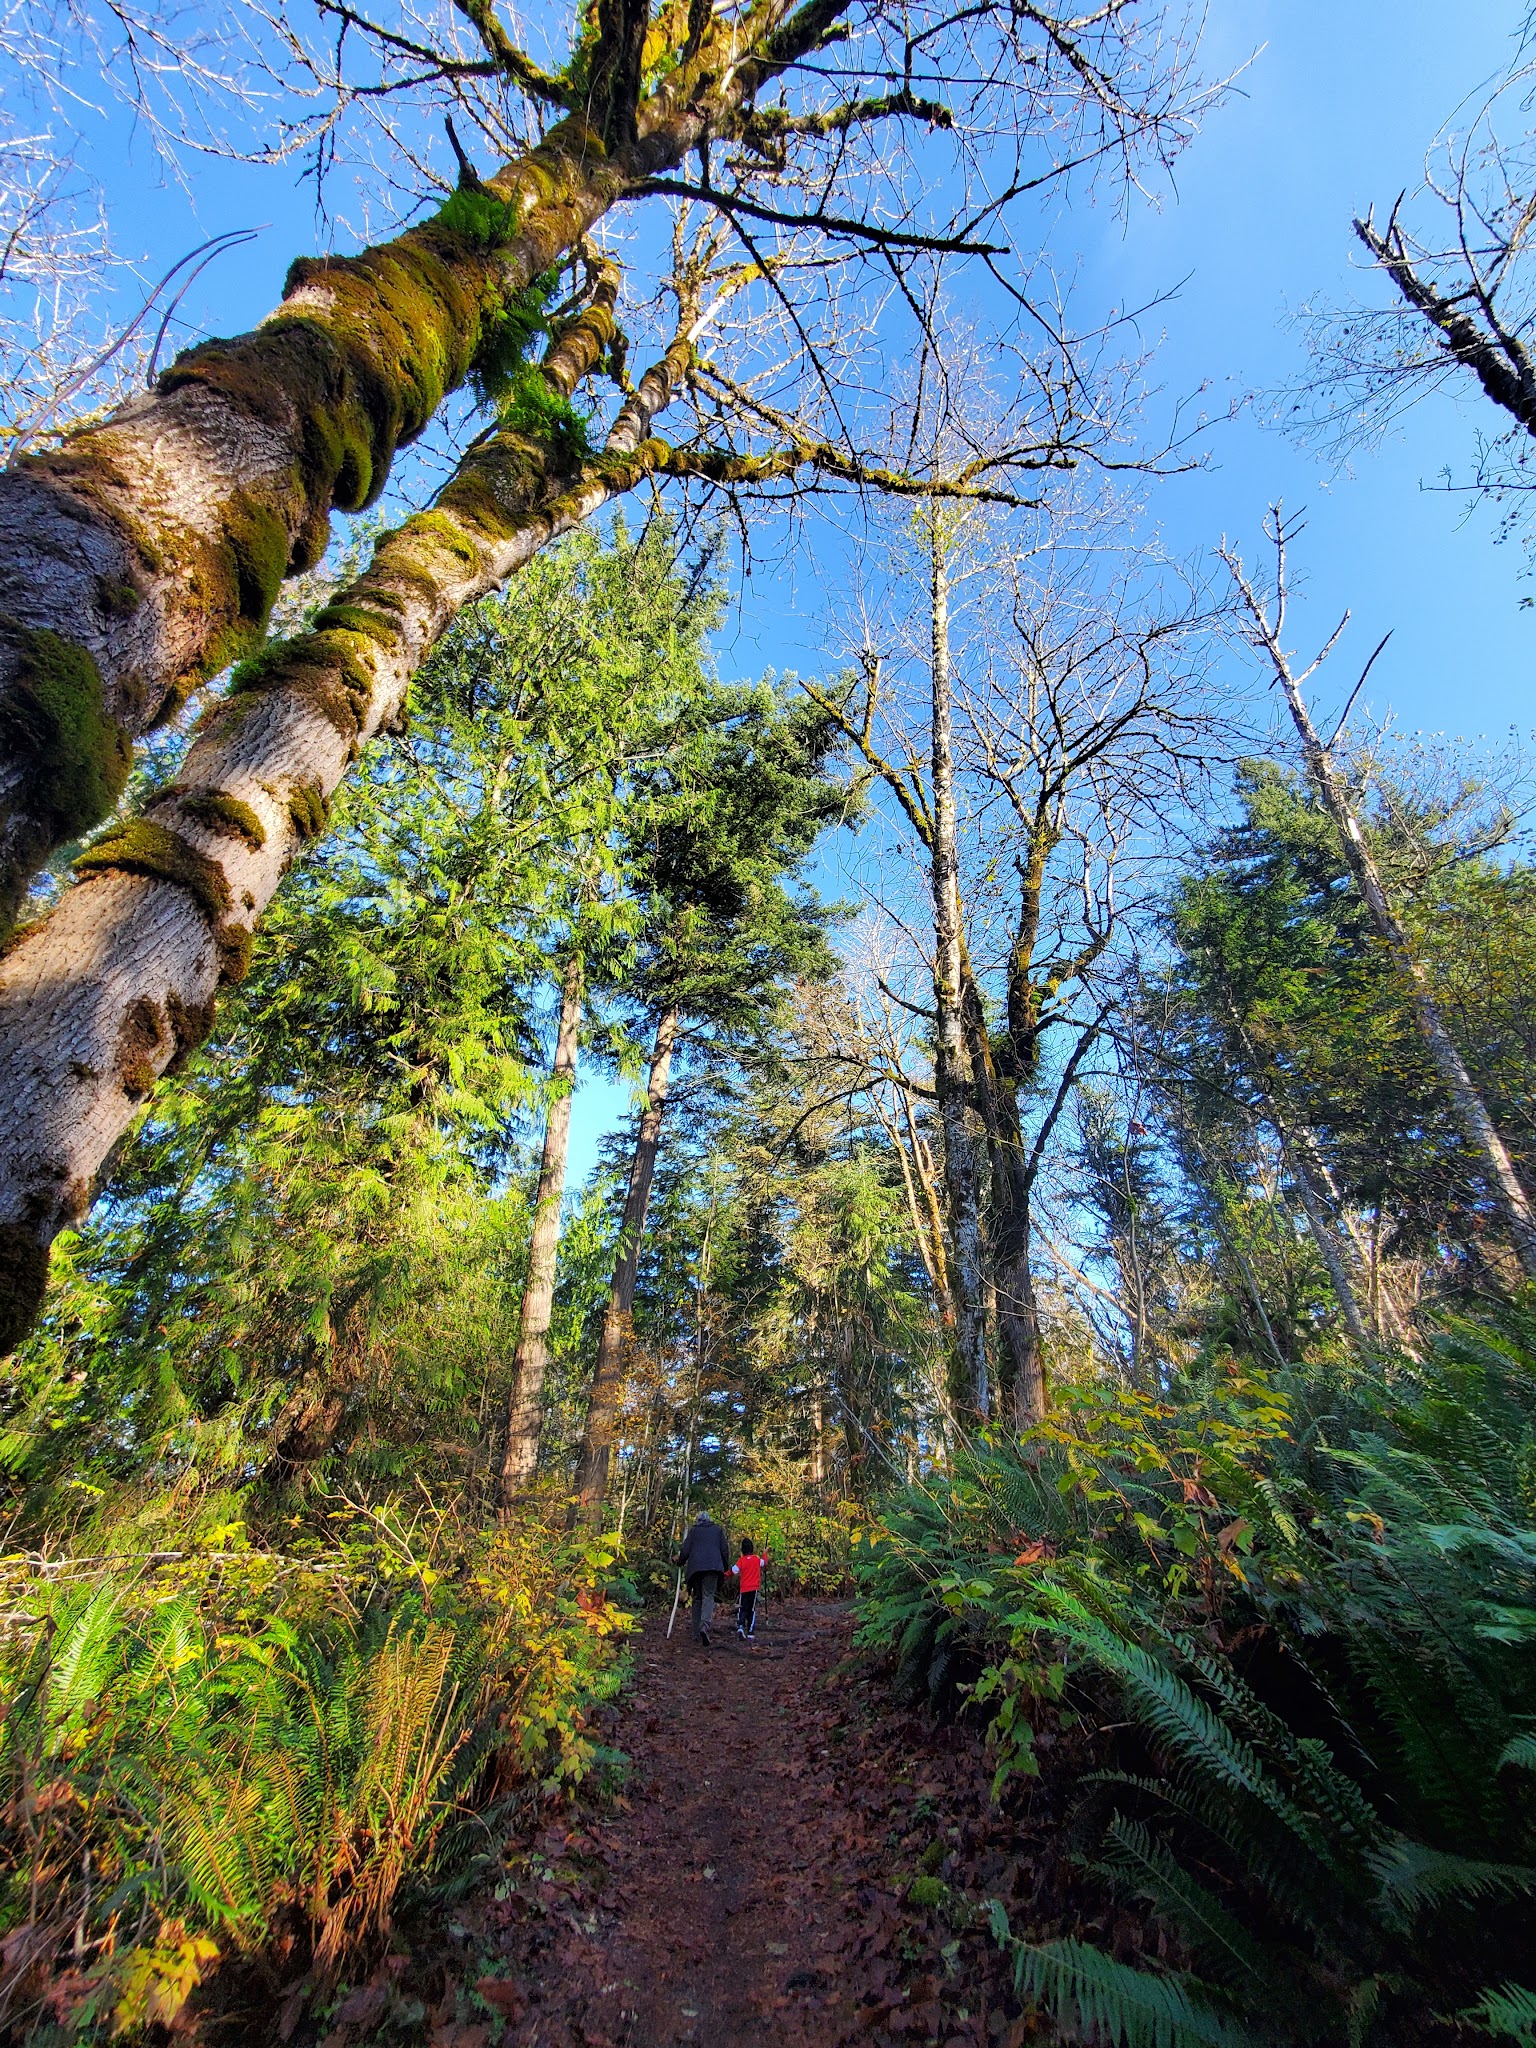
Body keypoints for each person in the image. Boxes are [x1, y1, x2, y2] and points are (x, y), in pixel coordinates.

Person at [675, 1509, 729, 1646]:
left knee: (697, 1598)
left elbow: (685, 1550)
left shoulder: (694, 1531)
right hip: (713, 1568)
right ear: (709, 1520)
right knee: (708, 1596)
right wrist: (725, 1567)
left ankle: (695, 1632)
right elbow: (724, 1550)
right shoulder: (717, 1530)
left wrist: (679, 1561)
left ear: (698, 1521)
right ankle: (704, 1626)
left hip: (696, 1569)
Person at [731, 1538, 768, 1640]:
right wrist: (764, 1553)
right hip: (754, 1589)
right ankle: (751, 1631)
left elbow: (734, 1570)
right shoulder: (756, 1559)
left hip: (744, 1589)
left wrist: (725, 1574)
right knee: (751, 1609)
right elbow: (764, 1562)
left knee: (742, 1608)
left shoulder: (741, 1561)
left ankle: (740, 1626)